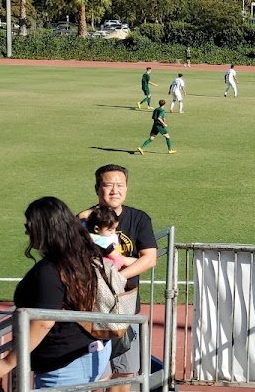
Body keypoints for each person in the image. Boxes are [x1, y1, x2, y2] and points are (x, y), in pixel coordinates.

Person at [0, 197, 111, 389]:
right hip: (91, 354)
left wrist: (6, 363)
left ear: (45, 229)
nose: (26, 230)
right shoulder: (82, 256)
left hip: (65, 367)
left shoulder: (50, 271)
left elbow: (43, 322)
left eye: (29, 225)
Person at [79, 165, 157, 392]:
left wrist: (115, 278)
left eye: (120, 185)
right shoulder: (83, 221)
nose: (115, 190)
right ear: (97, 188)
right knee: (96, 377)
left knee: (125, 374)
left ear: (127, 188)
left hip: (126, 310)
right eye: (108, 185)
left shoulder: (138, 218)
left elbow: (150, 259)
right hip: (92, 313)